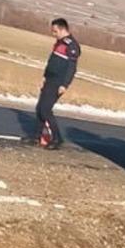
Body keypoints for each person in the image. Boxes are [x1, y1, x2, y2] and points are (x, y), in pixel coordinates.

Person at [30, 17, 81, 149]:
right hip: (50, 79)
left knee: (46, 109)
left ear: (63, 29)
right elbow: (52, 61)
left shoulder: (72, 45)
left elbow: (71, 68)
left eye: (55, 31)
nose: (53, 33)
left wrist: (65, 84)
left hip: (58, 82)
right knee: (39, 108)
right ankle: (36, 137)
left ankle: (57, 139)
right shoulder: (59, 43)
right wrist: (45, 76)